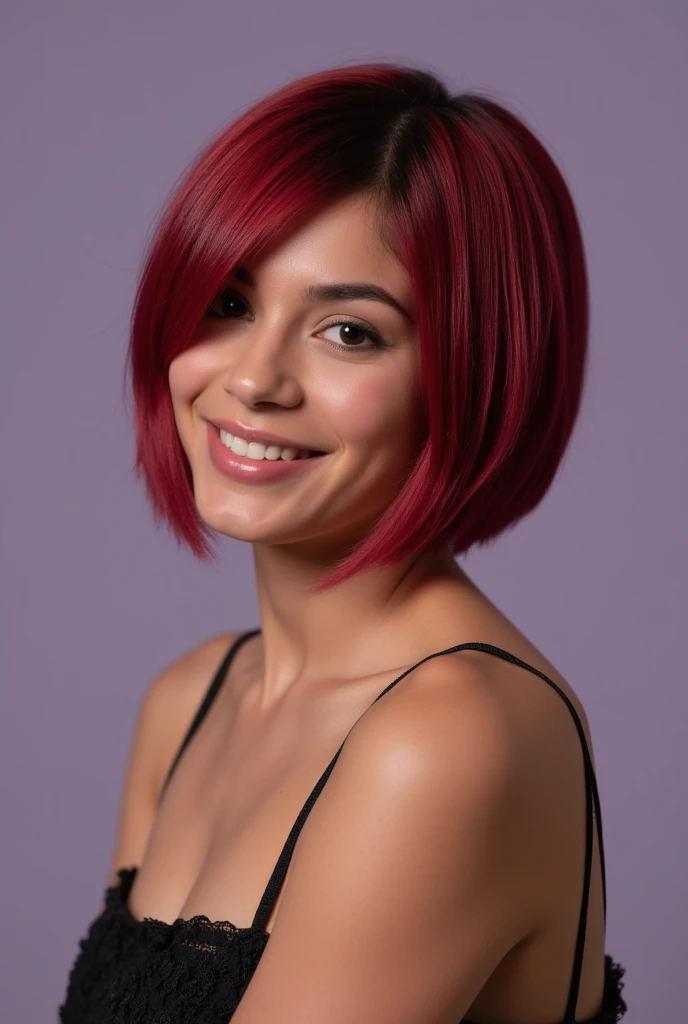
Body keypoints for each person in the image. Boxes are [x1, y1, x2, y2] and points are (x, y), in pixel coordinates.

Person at [59, 61, 627, 1024]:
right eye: (230, 302)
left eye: (349, 331)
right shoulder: (191, 699)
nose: (255, 378)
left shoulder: (446, 742)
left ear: (474, 370)